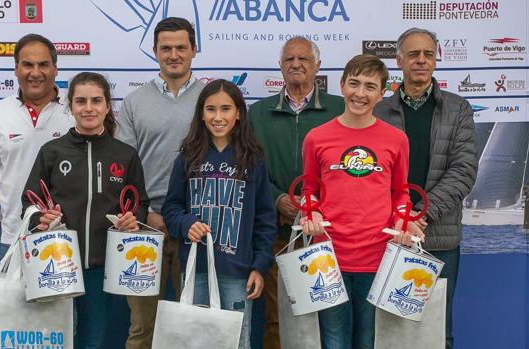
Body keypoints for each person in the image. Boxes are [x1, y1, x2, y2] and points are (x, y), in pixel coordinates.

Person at [299, 55, 424, 349]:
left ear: (382, 93)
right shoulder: (316, 138)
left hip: (376, 257)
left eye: (370, 87)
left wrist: (404, 220)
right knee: (333, 341)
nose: (360, 93)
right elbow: (308, 189)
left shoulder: (396, 139)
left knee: (367, 341)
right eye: (354, 83)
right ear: (342, 85)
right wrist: (311, 213)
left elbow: (401, 193)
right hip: (328, 257)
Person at [22, 72, 150, 348]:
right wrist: (39, 219)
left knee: (92, 341)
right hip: (55, 263)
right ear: (70, 106)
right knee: (56, 339)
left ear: (107, 106)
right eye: (81, 101)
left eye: (96, 101)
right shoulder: (52, 151)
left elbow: (140, 203)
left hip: (101, 267)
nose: (88, 108)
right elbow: (29, 201)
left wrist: (133, 219)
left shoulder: (125, 155)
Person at [375, 28, 478, 349]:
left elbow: (464, 170)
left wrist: (419, 215)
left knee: (437, 331)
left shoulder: (458, 108)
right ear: (399, 60)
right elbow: (369, 176)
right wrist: (399, 219)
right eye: (414, 54)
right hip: (388, 236)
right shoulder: (378, 111)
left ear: (435, 59)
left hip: (439, 238)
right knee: (387, 331)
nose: (421, 60)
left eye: (428, 54)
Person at [162, 79, 277, 349]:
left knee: (237, 341)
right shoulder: (188, 157)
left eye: (226, 109)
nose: (218, 117)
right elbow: (171, 208)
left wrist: (259, 266)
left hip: (238, 271)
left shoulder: (253, 160)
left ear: (238, 113)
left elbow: (265, 219)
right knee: (195, 342)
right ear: (201, 114)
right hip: (195, 268)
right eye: (210, 109)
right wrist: (186, 223)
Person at [248, 36, 344, 348]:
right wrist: (278, 199)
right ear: (280, 66)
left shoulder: (340, 109)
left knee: (331, 314)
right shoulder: (259, 114)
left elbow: (352, 170)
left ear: (317, 66)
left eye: (304, 59)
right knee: (278, 315)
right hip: (278, 230)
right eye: (289, 59)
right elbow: (251, 168)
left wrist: (319, 205)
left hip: (330, 232)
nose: (296, 64)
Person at [116, 16, 205, 349]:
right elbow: (122, 168)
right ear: (154, 52)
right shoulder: (135, 102)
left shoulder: (211, 99)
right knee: (142, 329)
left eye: (181, 47)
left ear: (194, 50)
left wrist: (187, 220)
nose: (173, 54)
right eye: (165, 48)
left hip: (197, 228)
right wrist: (146, 215)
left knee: (195, 324)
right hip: (146, 229)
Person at [0, 33, 74, 250]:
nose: (35, 73)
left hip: (69, 236)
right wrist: (11, 206)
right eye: (27, 65)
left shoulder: (76, 110)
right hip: (14, 237)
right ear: (16, 68)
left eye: (43, 64)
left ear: (55, 69)